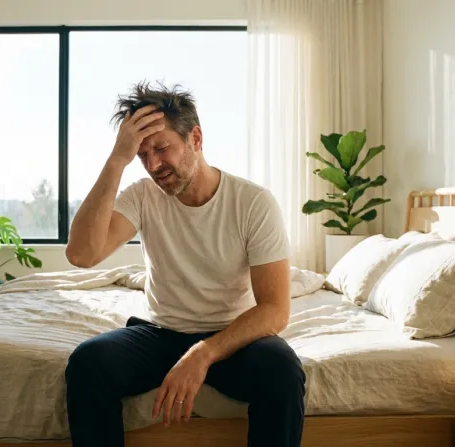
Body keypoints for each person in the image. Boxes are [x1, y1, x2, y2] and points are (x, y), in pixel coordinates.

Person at [64, 81, 306, 447]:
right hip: (161, 334)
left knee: (283, 370)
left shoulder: (253, 203)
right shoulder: (143, 196)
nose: (154, 165)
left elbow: (275, 310)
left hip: (231, 339)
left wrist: (203, 353)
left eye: (162, 148)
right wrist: (118, 158)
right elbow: (81, 254)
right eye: (142, 156)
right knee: (88, 363)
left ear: (196, 138)